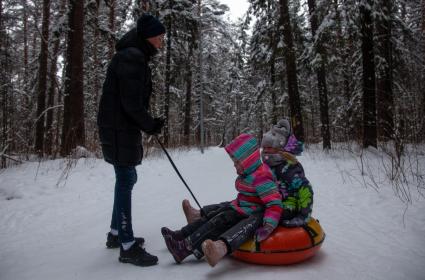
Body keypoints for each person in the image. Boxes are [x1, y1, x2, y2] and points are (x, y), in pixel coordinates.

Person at [182, 119, 314, 266]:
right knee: (232, 204)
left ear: (281, 151)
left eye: (270, 150)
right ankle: (198, 215)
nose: (266, 153)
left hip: (285, 206)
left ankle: (222, 245)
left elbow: (305, 190)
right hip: (265, 202)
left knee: (255, 217)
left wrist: (303, 215)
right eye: (264, 150)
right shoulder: (268, 166)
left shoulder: (290, 169)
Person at [97, 14, 166, 267]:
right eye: (159, 36)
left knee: (127, 177)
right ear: (148, 36)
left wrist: (147, 123)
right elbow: (130, 103)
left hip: (119, 127)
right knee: (126, 179)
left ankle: (116, 234)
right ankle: (127, 246)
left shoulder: (134, 55)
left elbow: (131, 101)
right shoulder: (132, 58)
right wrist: (150, 124)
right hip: (118, 128)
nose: (161, 41)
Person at [161, 134, 283, 266]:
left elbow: (274, 203)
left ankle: (184, 248)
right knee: (213, 215)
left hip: (248, 215)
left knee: (217, 223)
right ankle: (181, 235)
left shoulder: (262, 176)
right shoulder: (249, 173)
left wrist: (269, 225)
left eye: (237, 162)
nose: (234, 165)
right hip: (241, 207)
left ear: (248, 160)